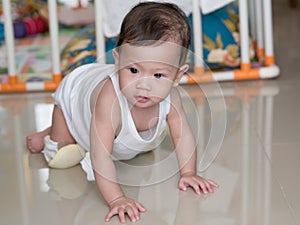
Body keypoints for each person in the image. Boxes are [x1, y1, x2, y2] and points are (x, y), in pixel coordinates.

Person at [26, 2, 219, 223]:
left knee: (139, 145)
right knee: (63, 156)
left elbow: (182, 135)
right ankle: (47, 135)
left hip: (108, 126)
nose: (143, 86)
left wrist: (188, 173)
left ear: (177, 76)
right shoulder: (110, 101)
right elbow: (99, 156)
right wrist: (116, 198)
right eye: (134, 70)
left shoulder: (171, 97)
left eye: (158, 75)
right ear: (118, 61)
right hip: (74, 101)